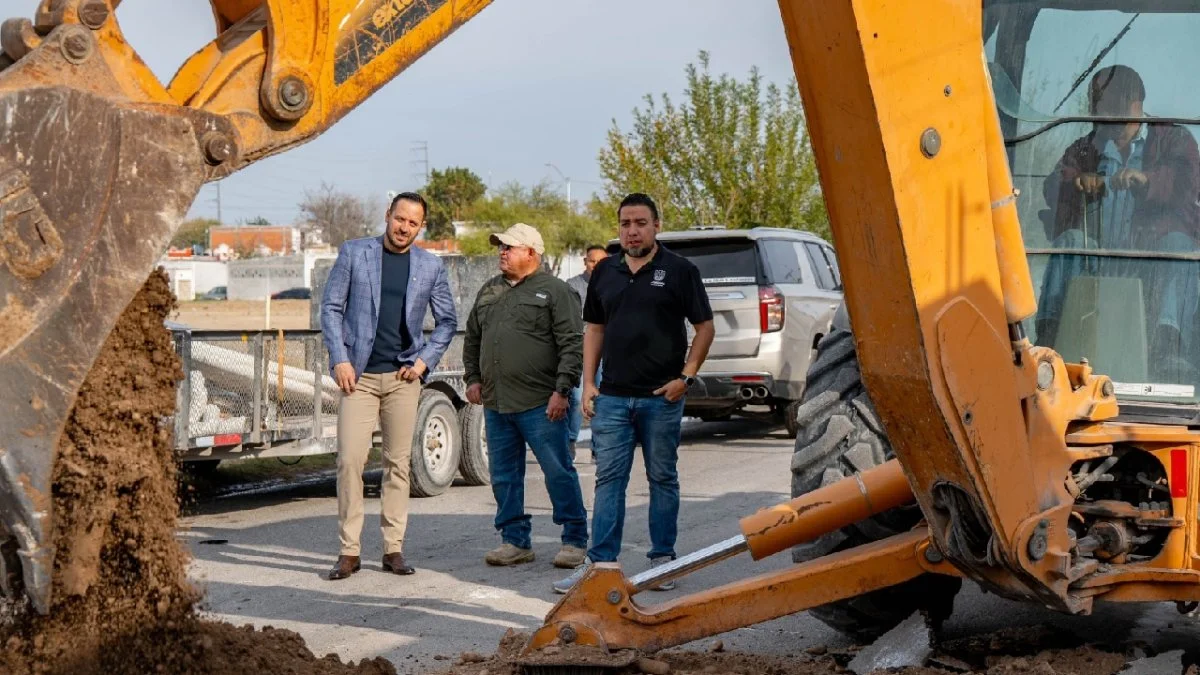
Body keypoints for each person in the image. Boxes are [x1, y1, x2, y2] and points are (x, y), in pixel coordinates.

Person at [553, 193, 716, 594]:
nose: (632, 231)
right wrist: (589, 383)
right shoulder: (605, 272)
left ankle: (662, 560)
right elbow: (594, 330)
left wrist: (686, 378)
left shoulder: (679, 271)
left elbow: (705, 328)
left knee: (662, 477)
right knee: (609, 480)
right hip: (611, 398)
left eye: (640, 222)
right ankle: (599, 565)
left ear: (656, 225)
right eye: (625, 224)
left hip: (661, 398)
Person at [320, 191, 457, 580]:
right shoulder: (354, 253)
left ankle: (393, 549)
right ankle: (349, 551)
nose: (404, 228)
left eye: (413, 223)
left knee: (398, 463)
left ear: (421, 227)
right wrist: (340, 358)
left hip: (403, 378)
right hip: (358, 377)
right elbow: (330, 308)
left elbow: (447, 320)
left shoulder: (430, 266)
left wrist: (424, 360)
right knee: (349, 460)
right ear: (388, 215)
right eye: (400, 219)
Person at [1037, 64, 1200, 361]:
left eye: (1113, 114)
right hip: (1097, 263)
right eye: (1101, 114)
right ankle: (1048, 337)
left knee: (1179, 245)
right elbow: (1052, 186)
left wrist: (1148, 179)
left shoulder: (1174, 140)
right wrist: (1076, 182)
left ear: (1135, 106)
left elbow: (1188, 182)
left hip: (1152, 265)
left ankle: (1169, 342)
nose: (1106, 124)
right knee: (1072, 239)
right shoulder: (1086, 148)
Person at [463, 223, 590, 569]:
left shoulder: (555, 291)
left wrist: (562, 391)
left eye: (509, 247)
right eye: (500, 247)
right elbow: (473, 338)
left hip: (541, 403)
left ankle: (575, 539)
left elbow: (571, 344)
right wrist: (473, 378)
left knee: (557, 471)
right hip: (497, 402)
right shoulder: (489, 290)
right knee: (504, 475)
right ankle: (515, 541)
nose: (502, 253)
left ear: (531, 253)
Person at [565, 245, 609, 460]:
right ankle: (570, 441)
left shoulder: (613, 284)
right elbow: (570, 320)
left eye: (601, 261)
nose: (597, 265)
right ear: (585, 262)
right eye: (592, 261)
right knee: (575, 397)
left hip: (607, 351)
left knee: (602, 399)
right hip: (579, 351)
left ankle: (598, 446)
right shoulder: (572, 286)